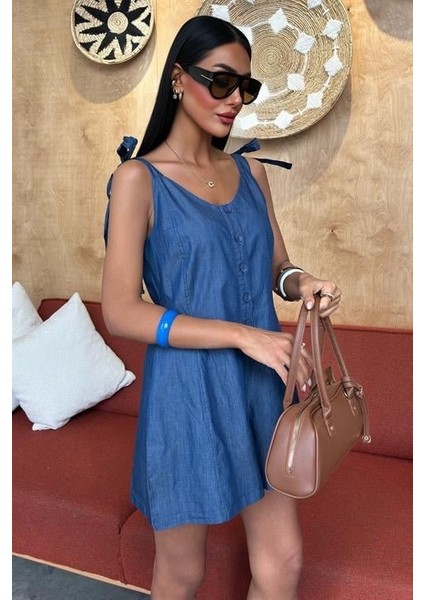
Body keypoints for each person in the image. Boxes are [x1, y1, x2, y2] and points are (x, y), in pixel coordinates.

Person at [101, 14, 341, 600]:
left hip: (264, 387)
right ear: (178, 79)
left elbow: (277, 268)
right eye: (221, 81)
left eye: (246, 87)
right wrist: (242, 334)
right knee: (183, 573)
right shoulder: (137, 180)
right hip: (187, 393)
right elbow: (120, 312)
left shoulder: (251, 170)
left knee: (282, 562)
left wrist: (303, 282)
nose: (235, 99)